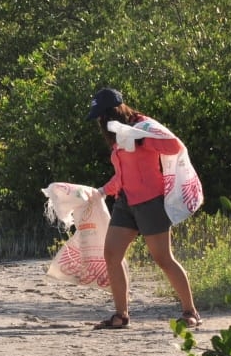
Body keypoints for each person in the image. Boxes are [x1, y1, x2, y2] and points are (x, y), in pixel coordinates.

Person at [86, 87, 201, 329]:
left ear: (114, 111)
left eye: (102, 115)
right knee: (111, 254)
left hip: (151, 202)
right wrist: (100, 192)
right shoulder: (118, 136)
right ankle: (121, 315)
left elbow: (174, 146)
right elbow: (122, 174)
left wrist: (140, 136)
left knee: (163, 258)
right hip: (126, 202)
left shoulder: (142, 126)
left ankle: (190, 312)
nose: (100, 121)